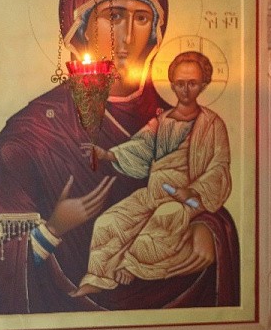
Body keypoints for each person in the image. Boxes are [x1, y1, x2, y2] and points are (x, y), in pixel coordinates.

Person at [0, 0, 241, 313]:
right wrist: (53, 229)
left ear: (156, 32)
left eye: (142, 18)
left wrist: (208, 227)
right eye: (113, 16)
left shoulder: (180, 122)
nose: (127, 35)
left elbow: (209, 181)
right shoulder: (30, 135)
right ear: (80, 28)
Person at [72, 51, 232, 296]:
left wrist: (192, 191)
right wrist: (107, 155)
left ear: (203, 85)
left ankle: (131, 266)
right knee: (109, 221)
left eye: (192, 83)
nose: (185, 90)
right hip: (153, 193)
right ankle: (98, 277)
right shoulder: (162, 120)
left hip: (186, 199)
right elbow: (142, 147)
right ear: (172, 84)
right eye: (180, 83)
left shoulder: (212, 124)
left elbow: (219, 167)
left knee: (165, 217)